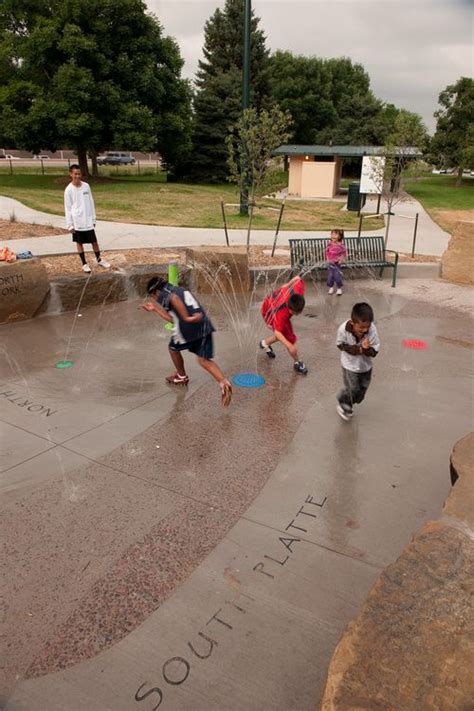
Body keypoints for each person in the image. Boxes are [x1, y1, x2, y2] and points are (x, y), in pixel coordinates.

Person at [143, 276, 232, 406]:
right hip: (204, 325)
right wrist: (155, 309)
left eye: (153, 296)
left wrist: (186, 318)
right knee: (203, 360)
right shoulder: (180, 289)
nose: (155, 299)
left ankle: (181, 376)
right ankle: (224, 383)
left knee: (172, 348)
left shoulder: (165, 294)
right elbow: (174, 317)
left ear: (156, 291)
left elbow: (175, 302)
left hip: (189, 327)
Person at [336, 302, 380, 421]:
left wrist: (367, 350)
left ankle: (346, 398)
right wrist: (359, 349)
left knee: (360, 395)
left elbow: (375, 351)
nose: (364, 330)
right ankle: (344, 403)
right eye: (361, 327)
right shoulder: (343, 329)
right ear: (352, 323)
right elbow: (340, 345)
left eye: (367, 327)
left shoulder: (371, 330)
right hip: (349, 365)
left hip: (366, 367)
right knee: (353, 388)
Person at [64, 164, 110, 273]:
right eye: (75, 174)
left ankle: (99, 259)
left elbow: (91, 202)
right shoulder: (68, 190)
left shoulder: (86, 186)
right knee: (79, 243)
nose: (77, 176)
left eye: (79, 174)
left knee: (94, 241)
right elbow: (68, 208)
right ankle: (84, 263)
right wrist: (69, 224)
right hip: (77, 222)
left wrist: (93, 219)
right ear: (71, 174)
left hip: (88, 220)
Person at [259, 275, 308, 374]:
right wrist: (289, 345)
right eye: (295, 313)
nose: (296, 315)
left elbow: (297, 278)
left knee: (283, 332)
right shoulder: (282, 314)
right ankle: (297, 362)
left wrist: (288, 284)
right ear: (289, 309)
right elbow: (277, 333)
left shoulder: (298, 289)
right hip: (268, 312)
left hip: (272, 303)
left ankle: (264, 343)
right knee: (288, 337)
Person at [326, 229, 347, 296]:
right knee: (330, 276)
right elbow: (327, 252)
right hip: (330, 263)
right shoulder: (329, 244)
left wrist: (341, 259)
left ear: (339, 237)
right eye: (332, 234)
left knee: (337, 276)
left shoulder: (341, 245)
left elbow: (344, 253)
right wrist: (327, 258)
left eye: (335, 234)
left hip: (337, 264)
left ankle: (339, 288)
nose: (333, 235)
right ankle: (331, 287)